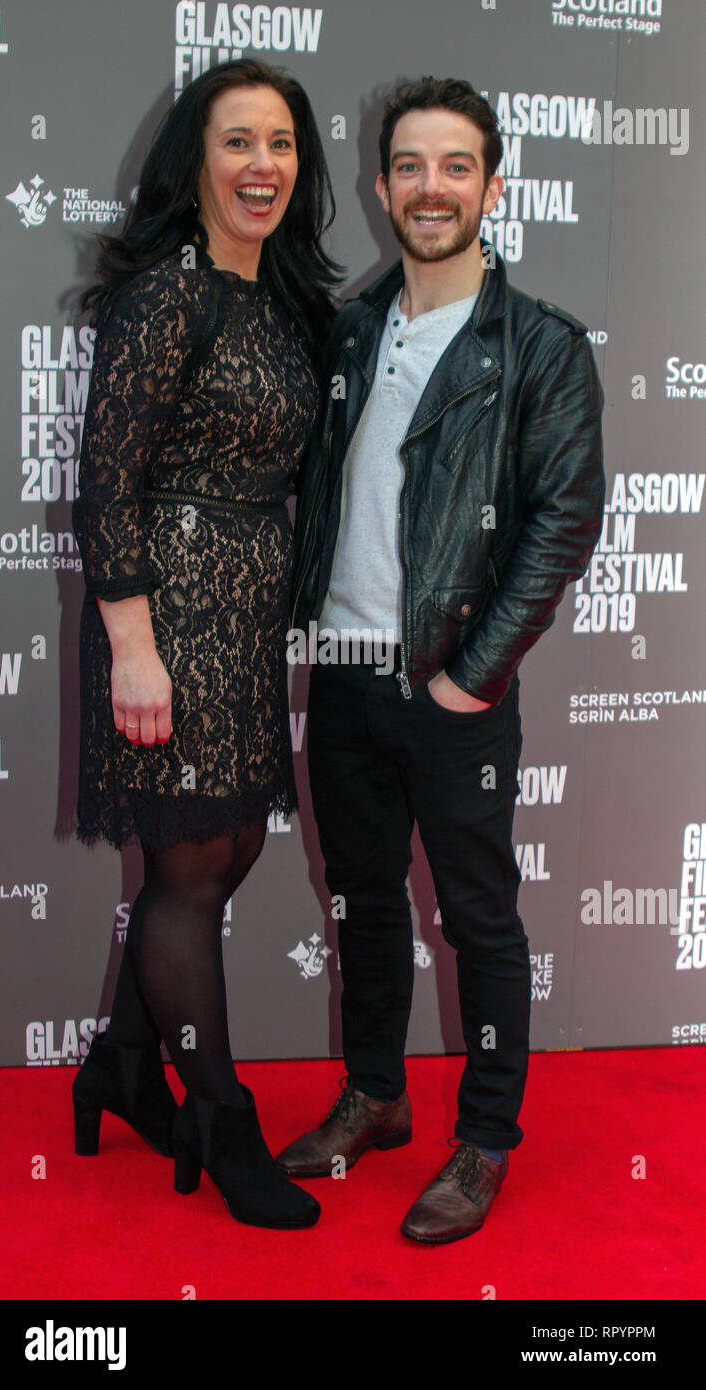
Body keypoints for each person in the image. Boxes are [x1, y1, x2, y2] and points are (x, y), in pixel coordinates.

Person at [278, 76, 605, 1243]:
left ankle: (483, 1137)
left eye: (454, 166)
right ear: (380, 187)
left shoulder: (540, 347)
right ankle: (374, 1095)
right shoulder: (349, 329)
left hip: (450, 684)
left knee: (475, 919)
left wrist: (473, 673)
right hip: (343, 672)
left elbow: (562, 521)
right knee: (365, 902)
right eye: (409, 166)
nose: (430, 188)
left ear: (490, 186)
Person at [71, 58, 341, 1230]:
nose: (261, 165)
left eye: (280, 143)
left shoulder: (277, 300)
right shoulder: (166, 296)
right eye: (238, 141)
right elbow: (106, 483)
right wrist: (133, 646)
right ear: (195, 163)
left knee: (223, 849)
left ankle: (122, 1066)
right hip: (169, 612)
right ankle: (221, 1121)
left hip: (242, 614)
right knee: (188, 866)